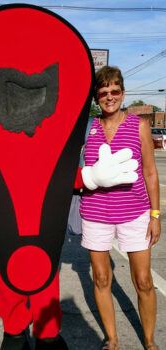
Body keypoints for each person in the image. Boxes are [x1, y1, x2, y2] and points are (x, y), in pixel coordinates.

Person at [80, 66, 161, 350]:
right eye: (103, 92)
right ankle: (112, 340)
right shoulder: (88, 128)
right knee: (101, 278)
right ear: (96, 97)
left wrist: (155, 214)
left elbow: (150, 173)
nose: (109, 96)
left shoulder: (138, 125)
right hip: (96, 214)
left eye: (115, 91)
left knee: (143, 280)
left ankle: (149, 342)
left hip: (135, 214)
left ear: (123, 94)